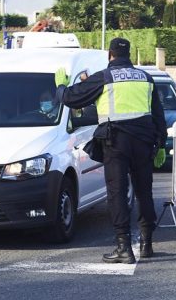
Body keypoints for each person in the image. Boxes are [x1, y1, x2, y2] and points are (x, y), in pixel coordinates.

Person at [54, 37, 167, 264]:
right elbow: (158, 115)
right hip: (144, 142)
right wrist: (161, 143)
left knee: (117, 193)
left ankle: (124, 247)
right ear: (129, 55)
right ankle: (146, 243)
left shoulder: (104, 78)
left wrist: (61, 85)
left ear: (110, 55)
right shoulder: (145, 78)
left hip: (116, 143)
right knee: (144, 192)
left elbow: (70, 99)